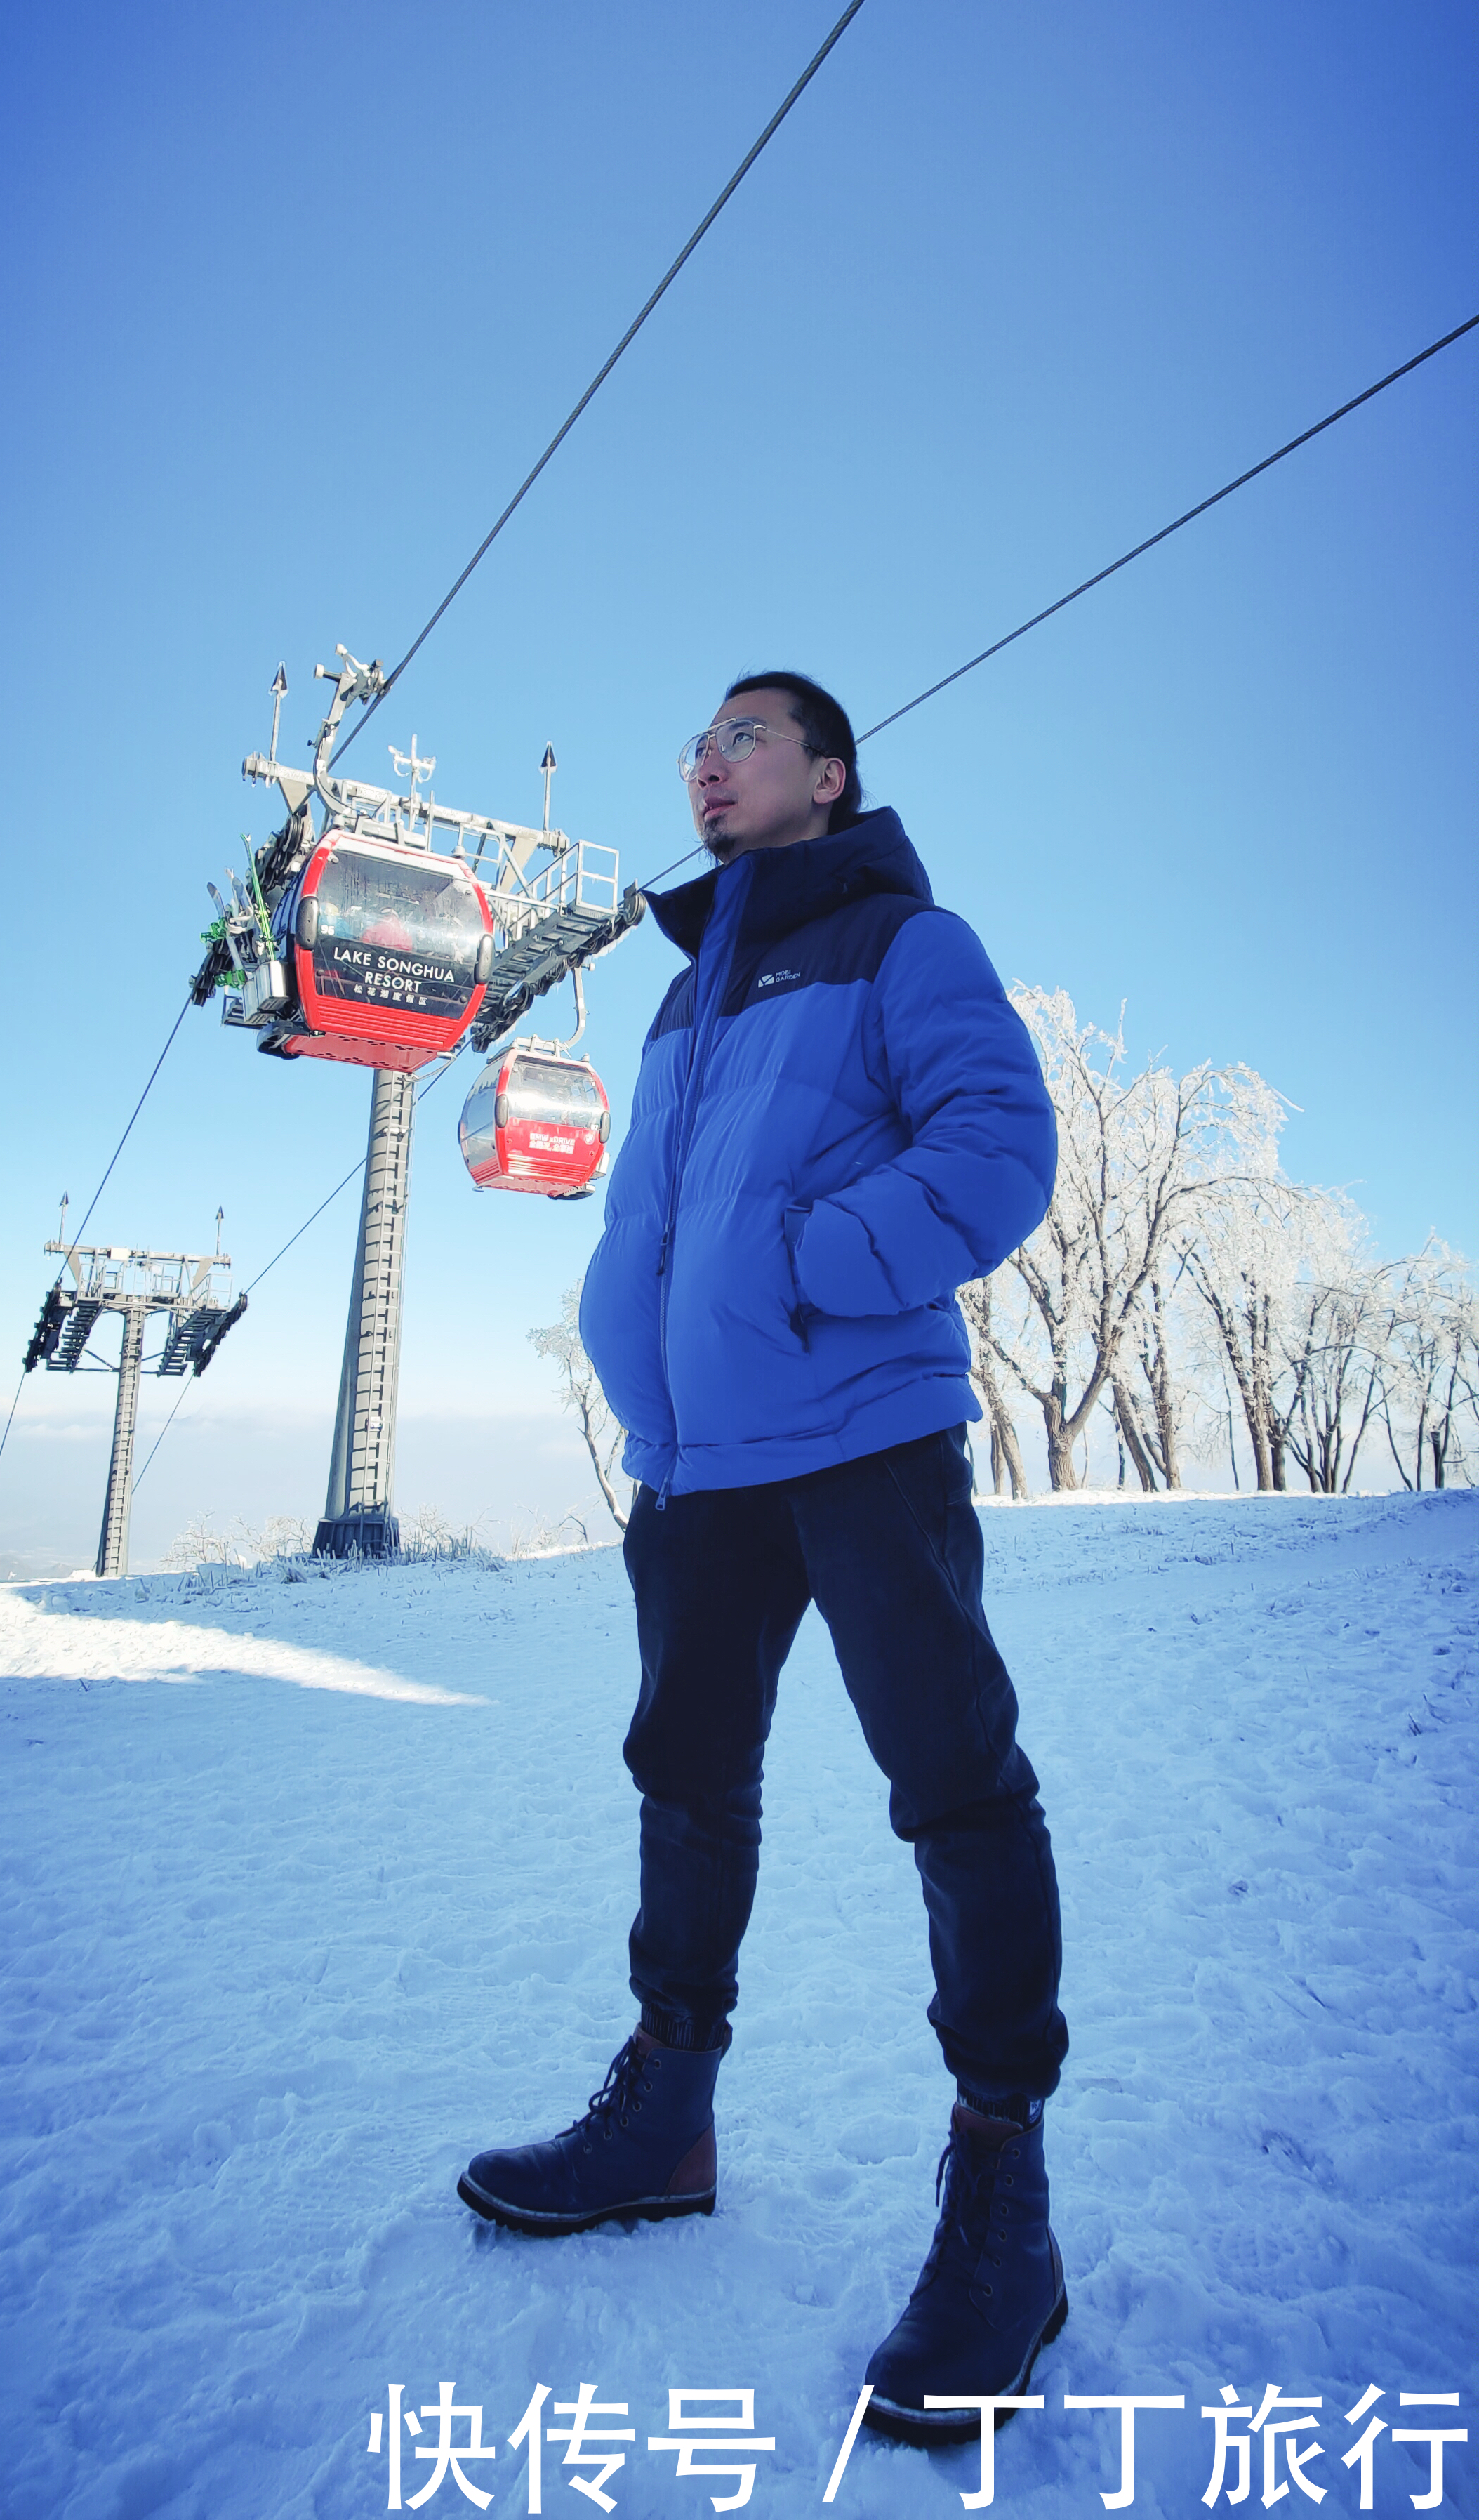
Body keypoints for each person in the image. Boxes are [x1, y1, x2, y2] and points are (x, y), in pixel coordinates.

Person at [458, 673, 1068, 2448]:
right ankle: (670, 2107)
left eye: (741, 736)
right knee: (686, 1773)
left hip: (862, 1432)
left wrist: (809, 1262)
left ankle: (1004, 2198)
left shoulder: (903, 939)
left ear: (828, 770)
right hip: (702, 1464)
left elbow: (999, 1150)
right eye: (699, 745)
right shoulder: (682, 994)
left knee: (955, 1783)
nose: (703, 762)